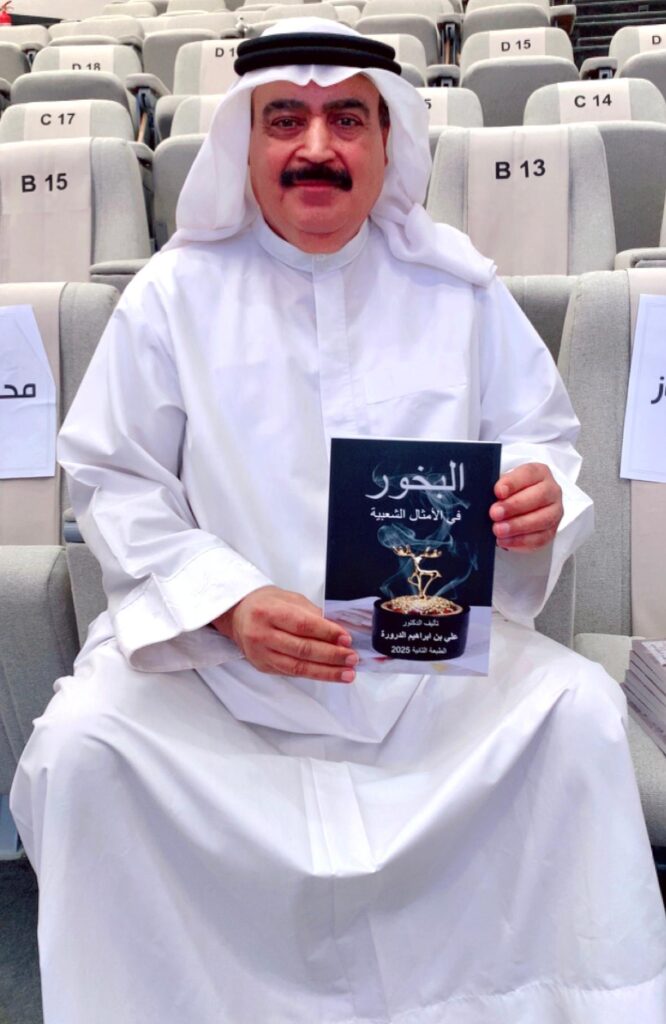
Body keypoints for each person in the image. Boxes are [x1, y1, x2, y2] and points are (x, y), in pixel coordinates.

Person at [10, 20, 666, 1024]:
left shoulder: (462, 295)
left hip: (424, 677)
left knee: (576, 716)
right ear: (246, 141)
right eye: (286, 119)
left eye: (346, 120)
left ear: (386, 140)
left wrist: (541, 498)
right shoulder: (170, 299)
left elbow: (542, 441)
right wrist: (227, 603)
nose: (316, 146)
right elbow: (117, 484)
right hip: (224, 681)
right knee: (82, 751)